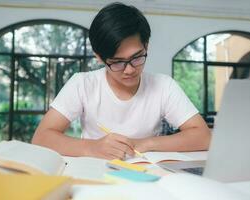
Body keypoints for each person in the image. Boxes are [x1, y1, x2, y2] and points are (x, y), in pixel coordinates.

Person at [32, 2, 211, 160]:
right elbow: (42, 137)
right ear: (100, 58)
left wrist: (143, 144)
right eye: (118, 62)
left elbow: (204, 136)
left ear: (146, 46)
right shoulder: (83, 84)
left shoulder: (164, 85)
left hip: (147, 175)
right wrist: (92, 147)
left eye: (137, 57)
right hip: (94, 172)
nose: (130, 69)